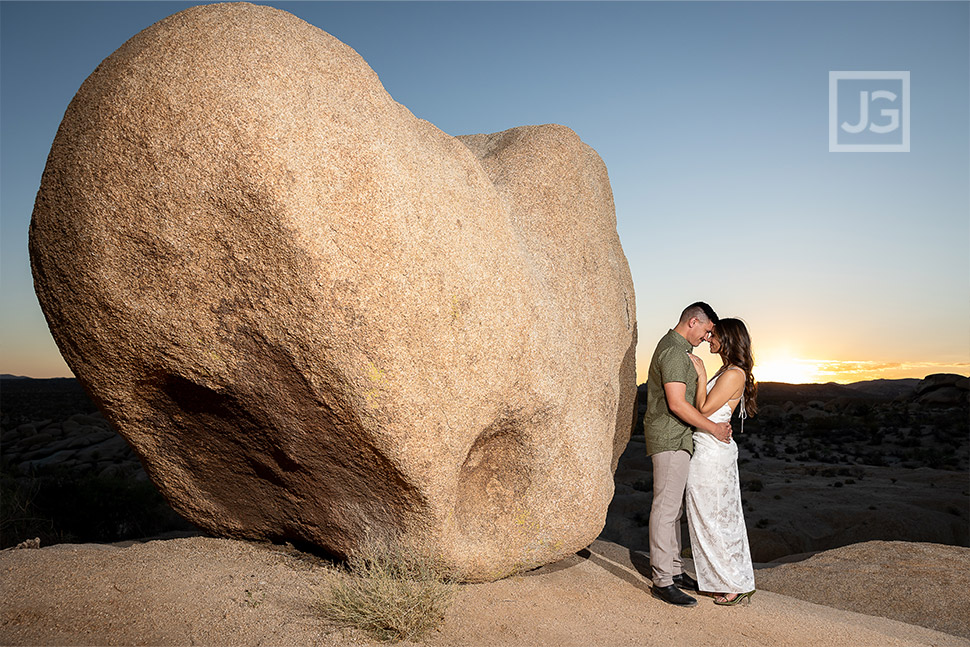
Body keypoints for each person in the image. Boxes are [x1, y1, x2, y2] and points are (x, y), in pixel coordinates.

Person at [643, 302, 733, 607]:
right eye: (707, 330)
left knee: (674, 511)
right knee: (665, 509)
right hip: (669, 436)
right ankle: (662, 580)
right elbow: (677, 405)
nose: (708, 338)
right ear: (693, 322)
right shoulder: (673, 352)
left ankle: (676, 571)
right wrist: (714, 429)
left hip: (678, 437)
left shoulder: (680, 352)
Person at [686, 318, 758, 606]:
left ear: (727, 339)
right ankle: (722, 579)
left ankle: (736, 583)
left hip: (713, 453)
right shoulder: (728, 370)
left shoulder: (733, 374)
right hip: (708, 446)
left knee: (717, 517)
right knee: (708, 515)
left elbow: (703, 408)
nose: (708, 339)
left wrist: (701, 375)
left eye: (713, 335)